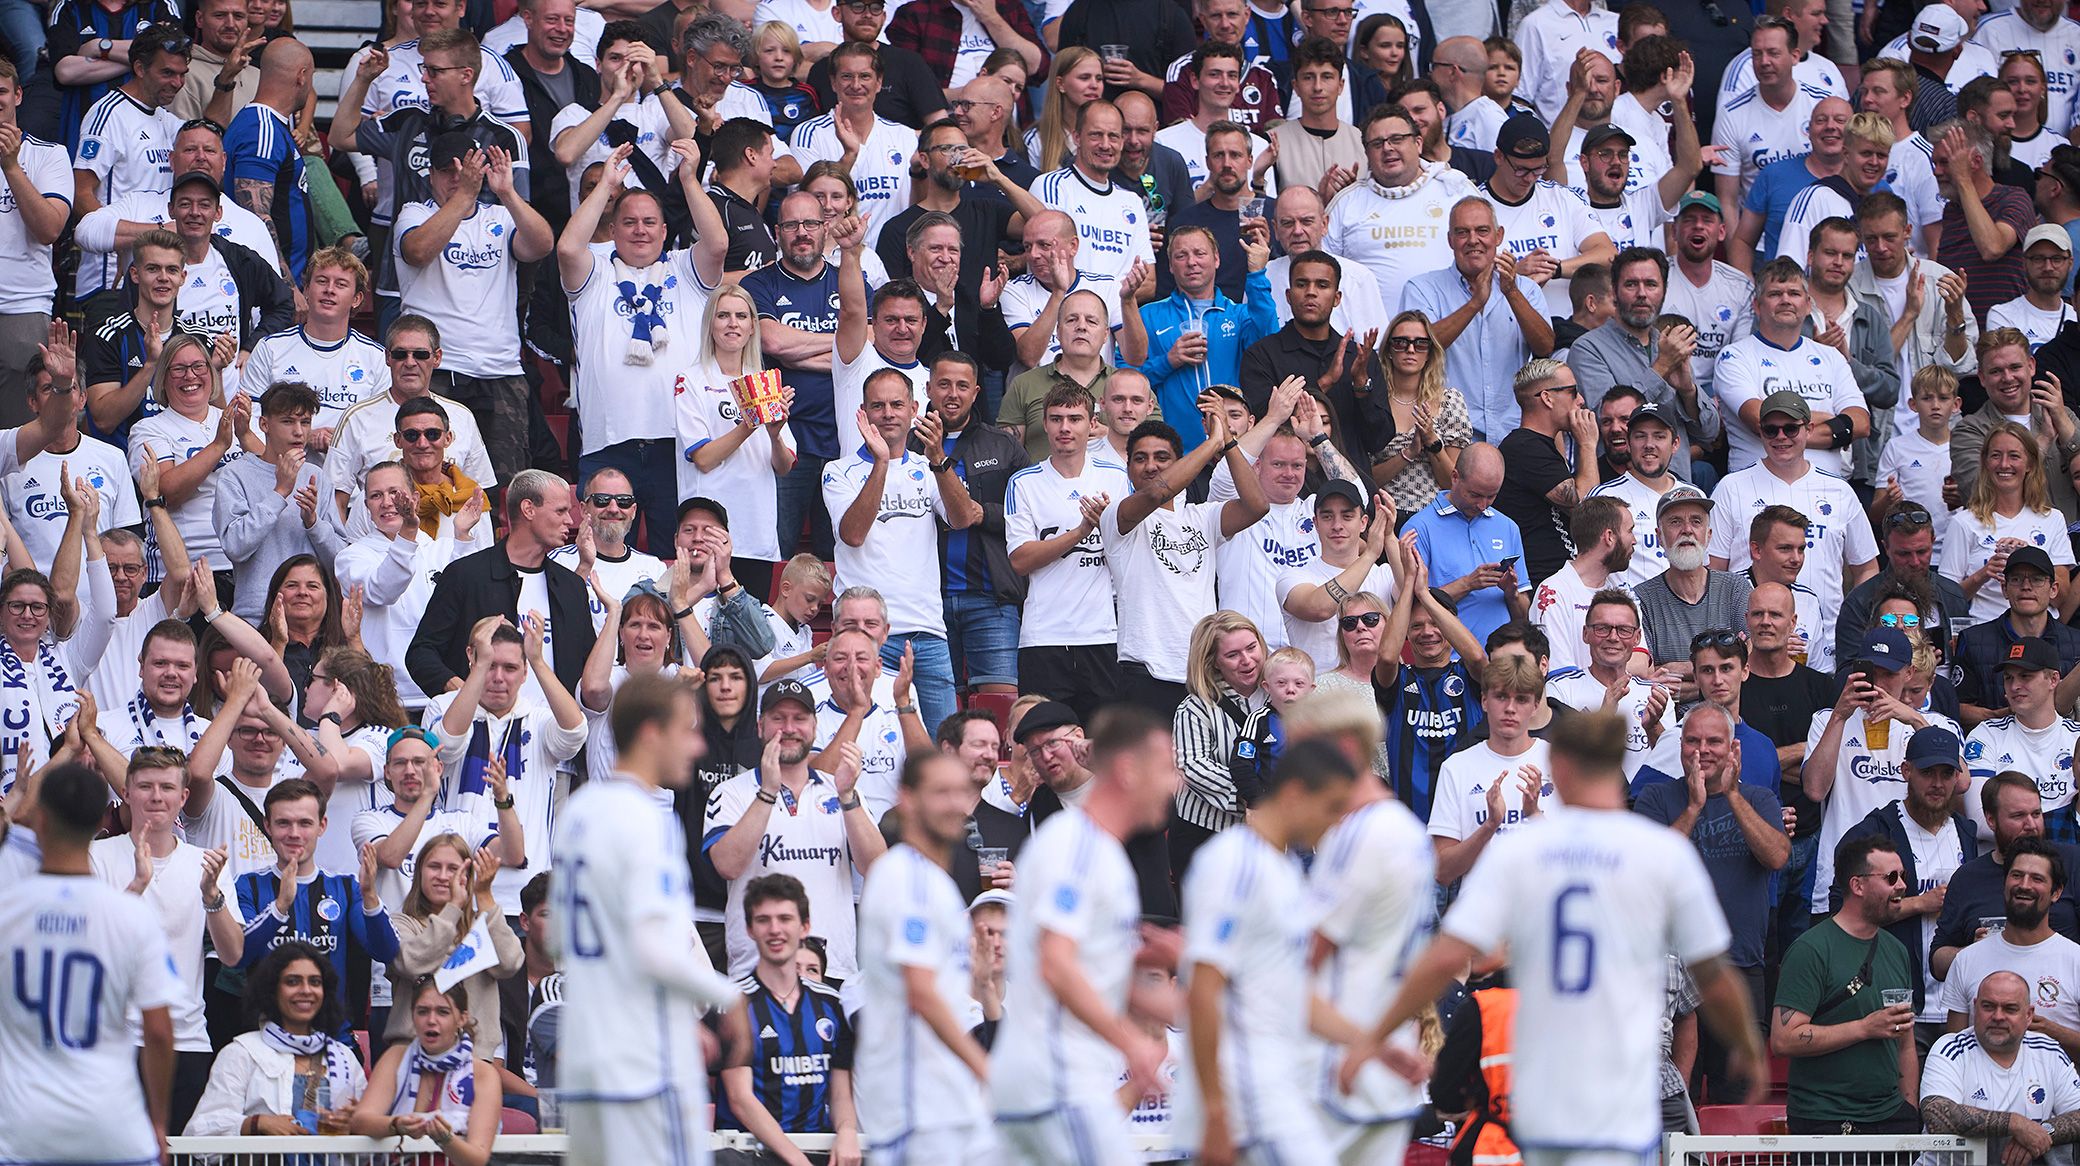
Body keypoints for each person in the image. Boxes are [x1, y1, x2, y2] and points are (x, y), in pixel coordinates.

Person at [1347, 712, 1766, 1151]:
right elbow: (1715, 978)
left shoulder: (1522, 851)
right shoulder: (1662, 852)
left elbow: (1445, 957)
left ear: (1559, 767)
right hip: (1620, 1095)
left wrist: (1373, 1037)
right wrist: (1749, 1047)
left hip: (1544, 1093)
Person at [549, 669, 744, 1166]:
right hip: (646, 1064)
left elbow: (558, 940)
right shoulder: (645, 819)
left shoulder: (578, 810)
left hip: (589, 1055)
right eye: (688, 731)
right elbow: (651, 948)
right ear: (652, 733)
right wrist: (728, 998)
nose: (698, 747)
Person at [991, 706, 1179, 1163]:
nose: (1175, 783)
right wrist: (1130, 1041)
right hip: (1056, 1080)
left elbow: (1089, 969)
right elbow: (1055, 963)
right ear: (1129, 772)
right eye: (1167, 769)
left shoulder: (1103, 852)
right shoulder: (1076, 846)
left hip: (1066, 1079)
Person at [1176, 738, 1360, 1164]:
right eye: (1331, 807)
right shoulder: (1236, 863)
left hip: (1274, 1090)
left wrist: (1368, 1042)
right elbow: (1203, 991)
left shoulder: (1284, 868)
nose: (1334, 823)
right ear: (1295, 793)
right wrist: (1216, 1112)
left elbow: (1290, 991)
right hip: (1246, 1101)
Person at [555, 141, 728, 557]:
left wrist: (688, 180)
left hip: (679, 442)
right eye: (628, 222)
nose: (640, 230)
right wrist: (607, 187)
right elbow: (566, 248)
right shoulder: (594, 273)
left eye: (650, 222)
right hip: (607, 444)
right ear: (612, 230)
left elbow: (719, 244)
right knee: (601, 560)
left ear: (665, 231)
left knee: (681, 559)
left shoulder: (684, 269)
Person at [1633, 701, 1788, 1084]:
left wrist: (1732, 797)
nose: (1702, 750)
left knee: (1736, 1099)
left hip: (1738, 966)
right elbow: (1646, 868)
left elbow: (1777, 857)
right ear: (1680, 745)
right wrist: (1694, 807)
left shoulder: (1758, 799)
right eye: (1692, 741)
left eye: (1714, 741)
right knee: (1669, 1092)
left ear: (1733, 750)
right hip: (1669, 970)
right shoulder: (1656, 797)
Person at [855, 750, 997, 1158]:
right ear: (908, 799)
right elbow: (920, 991)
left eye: (961, 791)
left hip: (947, 1106)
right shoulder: (906, 877)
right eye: (941, 792)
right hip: (915, 1109)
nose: (956, 803)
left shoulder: (937, 883)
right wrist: (986, 1068)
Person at [90, 746, 240, 1129]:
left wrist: (212, 897)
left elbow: (232, 954)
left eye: (167, 788)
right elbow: (92, 947)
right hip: (114, 1040)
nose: (156, 797)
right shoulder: (97, 856)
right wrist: (138, 885)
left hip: (187, 1039)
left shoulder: (206, 862)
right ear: (126, 792)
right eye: (145, 786)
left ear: (183, 796)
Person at [705, 678, 886, 980]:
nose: (789, 728)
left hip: (833, 969)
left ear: (814, 728)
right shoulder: (730, 793)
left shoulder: (843, 789)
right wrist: (768, 792)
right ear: (760, 726)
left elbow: (877, 868)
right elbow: (727, 865)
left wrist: (847, 798)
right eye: (778, 718)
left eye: (799, 719)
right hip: (756, 971)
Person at [1102, 410, 1267, 714]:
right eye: (1140, 458)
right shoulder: (1116, 516)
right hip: (1146, 673)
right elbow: (1154, 494)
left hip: (1204, 674)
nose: (1151, 465)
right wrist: (1211, 444)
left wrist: (1228, 443)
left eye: (1162, 457)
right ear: (1127, 468)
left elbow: (1257, 506)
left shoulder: (1203, 516)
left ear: (1179, 464)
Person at [1837, 725, 1977, 1049]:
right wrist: (1918, 903)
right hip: (1897, 1001)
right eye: (1928, 772)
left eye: (1947, 773)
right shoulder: (1875, 833)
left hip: (1959, 1004)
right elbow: (1841, 910)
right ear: (1906, 771)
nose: (1938, 784)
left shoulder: (1966, 833)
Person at [1773, 833, 1922, 1130]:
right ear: (1858, 885)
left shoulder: (1896, 950)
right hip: (1826, 1118)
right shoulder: (1811, 949)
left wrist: (1909, 1110)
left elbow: (1905, 1042)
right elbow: (1783, 1039)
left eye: (1902, 876)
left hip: (1890, 1115)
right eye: (1891, 877)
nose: (1903, 886)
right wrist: (1865, 1028)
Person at [406, 470, 595, 702]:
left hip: (554, 731)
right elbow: (422, 654)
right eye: (560, 511)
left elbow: (588, 667)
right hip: (482, 730)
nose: (570, 520)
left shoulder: (571, 587)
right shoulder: (465, 575)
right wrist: (462, 692)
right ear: (528, 509)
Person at [1005, 381, 1131, 721]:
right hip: (1043, 637)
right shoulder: (1024, 482)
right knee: (1045, 742)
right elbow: (1020, 560)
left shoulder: (1117, 477)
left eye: (1074, 419)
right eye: (1056, 418)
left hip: (1103, 635)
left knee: (1103, 749)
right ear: (1043, 424)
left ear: (1092, 424)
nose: (1064, 428)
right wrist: (1080, 532)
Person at [717, 873, 861, 1161]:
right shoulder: (732, 1002)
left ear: (804, 926)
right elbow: (740, 1099)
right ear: (749, 929)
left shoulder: (831, 1003)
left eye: (785, 919)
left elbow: (841, 1092)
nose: (775, 929)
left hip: (817, 1147)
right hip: (749, 1152)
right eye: (763, 920)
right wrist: (797, 1160)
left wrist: (847, 1133)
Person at [1398, 196, 1554, 442]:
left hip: (1514, 430)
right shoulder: (1422, 288)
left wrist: (1511, 291)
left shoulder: (1525, 289)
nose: (1473, 240)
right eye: (1462, 232)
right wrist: (1475, 303)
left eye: (1482, 231)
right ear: (1450, 240)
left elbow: (1545, 346)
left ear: (1498, 236)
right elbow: (1419, 348)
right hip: (1447, 433)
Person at [183, 940, 369, 1137]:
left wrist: (356, 1124)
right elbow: (199, 1132)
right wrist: (255, 1124)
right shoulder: (242, 1053)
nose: (306, 990)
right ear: (272, 991)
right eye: (292, 981)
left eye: (315, 982)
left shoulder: (344, 1057)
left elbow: (371, 1137)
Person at [1570, 248, 1722, 484]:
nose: (1642, 293)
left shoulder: (1668, 343)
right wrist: (1661, 367)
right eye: (1631, 284)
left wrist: (1688, 391)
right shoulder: (1587, 349)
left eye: (1651, 284)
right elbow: (1608, 424)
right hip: (1619, 491)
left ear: (1663, 291)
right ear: (1614, 292)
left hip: (1676, 490)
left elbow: (1709, 433)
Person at [1325, 103, 1480, 314]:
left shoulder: (1456, 190)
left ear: (1418, 143)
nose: (1388, 148)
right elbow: (1322, 271)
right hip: (1373, 341)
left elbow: (1488, 257)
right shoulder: (1346, 203)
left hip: (1453, 334)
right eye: (1377, 143)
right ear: (1366, 153)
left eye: (1397, 139)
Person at [1937, 837, 2080, 1059]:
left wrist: (2051, 1032)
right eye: (2016, 875)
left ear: (2056, 892)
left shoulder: (2075, 960)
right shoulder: (1967, 960)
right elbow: (1953, 1054)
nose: (2024, 885)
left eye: (2037, 879)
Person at [1137, 222, 1276, 447]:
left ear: (1216, 259)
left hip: (1233, 446)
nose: (1191, 262)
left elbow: (1269, 339)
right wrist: (1168, 361)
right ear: (1170, 266)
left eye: (1200, 253)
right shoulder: (1148, 315)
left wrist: (1257, 275)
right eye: (1181, 256)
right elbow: (1126, 380)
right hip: (1176, 450)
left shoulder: (1238, 314)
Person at [1922, 969, 2080, 1156]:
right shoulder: (1951, 1048)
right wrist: (2015, 1124)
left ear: (2028, 1015)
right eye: (1988, 1006)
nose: (1998, 1017)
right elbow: (1936, 1114)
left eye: (2010, 1009)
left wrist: (2041, 1133)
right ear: (1975, 1007)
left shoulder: (2048, 1051)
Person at [348, 977, 503, 1164]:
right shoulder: (396, 1057)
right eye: (422, 1012)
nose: (431, 1020)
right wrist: (396, 1124)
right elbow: (361, 1121)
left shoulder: (483, 1074)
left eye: (442, 1012)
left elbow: (477, 1158)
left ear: (461, 1018)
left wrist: (445, 1139)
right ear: (413, 1016)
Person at [1946, 421, 2077, 627]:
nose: (2004, 464)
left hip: (2041, 636)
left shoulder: (2053, 519)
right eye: (1996, 455)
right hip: (1984, 634)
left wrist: (2031, 560)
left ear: (2030, 464)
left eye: (2014, 456)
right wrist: (1984, 573)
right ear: (1986, 462)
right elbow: (1947, 600)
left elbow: (2061, 596)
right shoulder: (1963, 522)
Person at [1404, 443, 1529, 644]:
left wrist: (1512, 594)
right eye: (1475, 495)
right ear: (1455, 477)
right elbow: (1414, 609)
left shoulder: (1508, 527)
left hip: (1501, 662)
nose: (1482, 505)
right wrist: (1468, 584)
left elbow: (1523, 617)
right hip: (1449, 662)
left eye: (1491, 496)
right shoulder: (1419, 528)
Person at [1495, 358, 1602, 588]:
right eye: (1573, 392)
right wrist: (1587, 444)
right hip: (1542, 584)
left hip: (1557, 579)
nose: (1581, 401)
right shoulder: (1524, 448)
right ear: (1547, 397)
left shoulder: (1541, 445)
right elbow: (1588, 510)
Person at [71, 26, 192, 216]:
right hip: (121, 244)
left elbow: (207, 136)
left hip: (160, 241)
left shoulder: (164, 117)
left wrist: (224, 82)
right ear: (139, 69)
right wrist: (120, 240)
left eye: (182, 74)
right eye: (167, 73)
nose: (177, 83)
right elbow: (80, 193)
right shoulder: (109, 114)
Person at [1837, 503, 1971, 675]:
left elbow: (1966, 666)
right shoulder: (1859, 601)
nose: (1915, 562)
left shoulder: (1953, 595)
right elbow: (1847, 671)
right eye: (1904, 554)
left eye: (1922, 551)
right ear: (1886, 548)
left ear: (1933, 542)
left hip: (1943, 695)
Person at [1531, 495, 1635, 675]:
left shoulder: (1624, 591)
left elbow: (1641, 665)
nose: (1634, 540)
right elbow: (1559, 675)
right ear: (1609, 537)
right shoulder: (1554, 593)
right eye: (1630, 531)